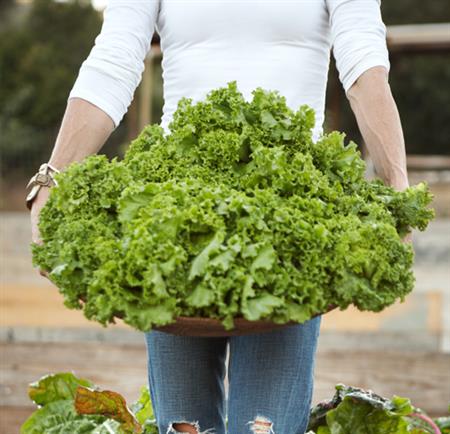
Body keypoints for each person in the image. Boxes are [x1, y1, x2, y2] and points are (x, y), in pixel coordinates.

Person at [28, 1, 410, 433]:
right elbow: (114, 59)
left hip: (284, 228)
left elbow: (363, 64)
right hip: (174, 224)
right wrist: (51, 178)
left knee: (264, 427)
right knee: (184, 425)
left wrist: (397, 188)